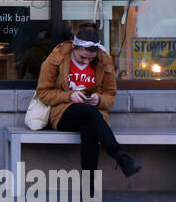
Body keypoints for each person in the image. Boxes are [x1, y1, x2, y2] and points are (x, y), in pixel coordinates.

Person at [34, 26, 142, 179]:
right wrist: (69, 96)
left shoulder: (104, 61)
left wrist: (99, 100)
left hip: (94, 115)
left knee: (89, 130)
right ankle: (121, 157)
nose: (86, 61)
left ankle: (89, 192)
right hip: (63, 112)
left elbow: (110, 95)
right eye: (82, 57)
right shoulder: (57, 58)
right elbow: (43, 92)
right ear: (74, 47)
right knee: (88, 112)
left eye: (91, 59)